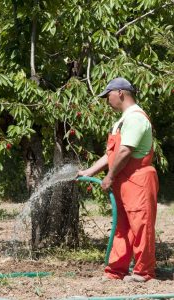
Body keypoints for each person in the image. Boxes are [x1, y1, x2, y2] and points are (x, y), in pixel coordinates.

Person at [78, 77, 159, 282]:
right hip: (125, 180)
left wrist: (110, 176)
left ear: (120, 93)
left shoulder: (135, 118)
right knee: (122, 227)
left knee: (141, 225)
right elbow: (112, 154)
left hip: (138, 179)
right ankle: (116, 270)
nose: (107, 100)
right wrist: (89, 171)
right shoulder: (122, 120)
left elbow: (124, 152)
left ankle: (143, 273)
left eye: (108, 96)